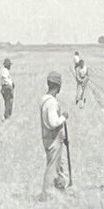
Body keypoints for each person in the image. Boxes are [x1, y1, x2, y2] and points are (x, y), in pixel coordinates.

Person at [38, 70, 69, 198]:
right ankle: (46, 194)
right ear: (58, 85)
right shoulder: (51, 102)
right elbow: (53, 123)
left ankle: (60, 188)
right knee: (52, 167)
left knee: (58, 165)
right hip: (53, 138)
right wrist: (63, 117)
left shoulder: (44, 99)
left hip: (49, 137)